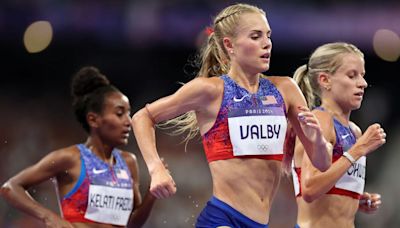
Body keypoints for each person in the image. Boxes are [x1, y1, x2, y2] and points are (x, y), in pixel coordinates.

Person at [131, 3, 333, 227]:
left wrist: (316, 139)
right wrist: (156, 168)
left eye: (268, 35)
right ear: (230, 45)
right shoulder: (211, 91)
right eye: (255, 36)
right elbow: (142, 117)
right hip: (222, 218)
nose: (266, 43)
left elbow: (322, 164)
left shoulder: (285, 90)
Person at [0, 66, 158, 228]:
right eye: (119, 114)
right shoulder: (71, 159)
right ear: (93, 120)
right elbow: (10, 187)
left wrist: (152, 193)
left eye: (129, 113)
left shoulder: (128, 162)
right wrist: (48, 216)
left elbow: (132, 224)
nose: (128, 121)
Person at [291, 42, 386, 228]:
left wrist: (355, 200)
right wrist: (358, 150)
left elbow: (330, 187)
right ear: (325, 80)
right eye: (352, 76)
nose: (363, 83)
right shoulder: (321, 120)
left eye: (362, 76)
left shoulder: (354, 130)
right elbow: (309, 189)